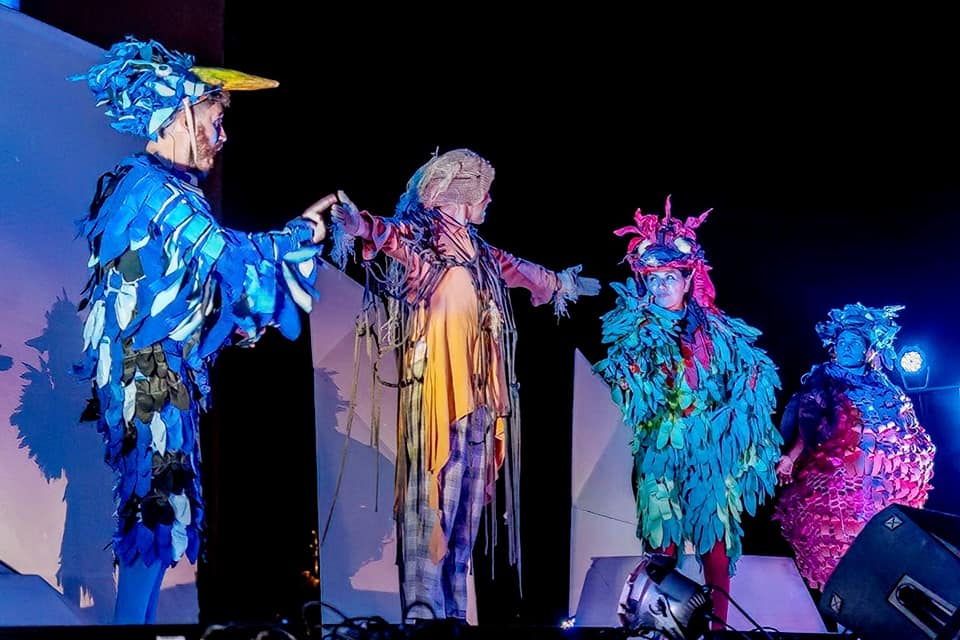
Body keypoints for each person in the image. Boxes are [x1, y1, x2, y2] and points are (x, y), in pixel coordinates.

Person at [71, 36, 336, 623]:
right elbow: (224, 253)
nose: (223, 136)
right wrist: (299, 234)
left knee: (161, 511)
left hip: (161, 370)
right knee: (157, 510)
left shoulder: (160, 188)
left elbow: (213, 281)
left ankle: (133, 626)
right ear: (178, 118)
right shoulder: (153, 189)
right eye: (215, 122)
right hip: (147, 376)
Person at [330, 148, 600, 622]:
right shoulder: (424, 238)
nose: (489, 200)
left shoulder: (481, 253)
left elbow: (520, 269)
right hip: (436, 394)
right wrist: (359, 226)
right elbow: (388, 236)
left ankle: (453, 616)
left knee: (464, 515)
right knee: (430, 505)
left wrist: (560, 284)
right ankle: (423, 617)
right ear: (461, 194)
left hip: (479, 398)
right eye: (483, 192)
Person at [593, 196, 783, 628]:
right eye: (653, 279)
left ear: (687, 280)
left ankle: (718, 628)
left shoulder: (718, 331)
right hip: (661, 449)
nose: (660, 287)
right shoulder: (632, 329)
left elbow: (754, 372)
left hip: (709, 452)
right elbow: (625, 385)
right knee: (662, 539)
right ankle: (660, 626)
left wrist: (737, 423)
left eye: (669, 278)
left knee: (716, 540)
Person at [773, 303, 935, 590]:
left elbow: (909, 429)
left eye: (854, 342)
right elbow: (807, 423)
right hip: (841, 489)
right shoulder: (823, 380)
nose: (846, 347)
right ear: (833, 349)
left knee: (884, 553)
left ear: (868, 350)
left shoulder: (885, 387)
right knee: (843, 552)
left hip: (884, 492)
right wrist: (791, 457)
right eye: (842, 342)